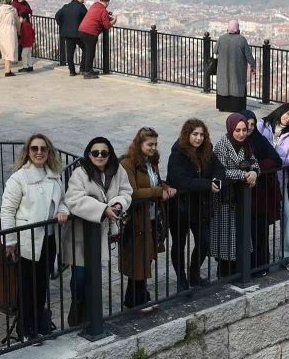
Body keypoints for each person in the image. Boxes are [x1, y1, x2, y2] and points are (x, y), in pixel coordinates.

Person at [0, 134, 68, 340]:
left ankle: (38, 323)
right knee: (27, 287)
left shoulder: (55, 175)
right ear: (28, 152)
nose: (39, 152)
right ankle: (25, 329)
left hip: (49, 239)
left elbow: (63, 200)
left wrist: (62, 211)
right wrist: (10, 242)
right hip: (28, 241)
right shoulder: (18, 179)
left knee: (41, 285)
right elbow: (7, 211)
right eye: (34, 149)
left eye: (43, 149)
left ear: (49, 152)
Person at [63, 137, 132, 326]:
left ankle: (91, 315)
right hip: (80, 235)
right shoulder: (80, 173)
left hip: (99, 234)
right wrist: (103, 209)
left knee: (94, 276)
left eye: (104, 153)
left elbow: (126, 191)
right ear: (89, 154)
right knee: (79, 278)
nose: (100, 156)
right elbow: (74, 199)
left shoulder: (118, 171)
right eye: (95, 153)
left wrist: (118, 203)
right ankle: (77, 311)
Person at [119, 127, 175, 306]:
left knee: (146, 258)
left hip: (151, 217)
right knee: (138, 260)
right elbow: (133, 192)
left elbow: (156, 181)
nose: (153, 148)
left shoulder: (152, 162)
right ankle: (137, 299)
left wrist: (165, 187)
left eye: (155, 144)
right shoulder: (128, 164)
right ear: (139, 143)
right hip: (136, 219)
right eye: (150, 144)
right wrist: (159, 191)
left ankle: (136, 297)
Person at [167, 119, 224, 288]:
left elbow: (219, 168)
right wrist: (207, 184)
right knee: (179, 244)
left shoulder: (207, 150)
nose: (198, 138)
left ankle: (194, 273)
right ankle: (181, 278)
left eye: (201, 135)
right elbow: (181, 180)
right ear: (187, 135)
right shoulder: (178, 153)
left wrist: (217, 180)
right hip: (181, 207)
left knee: (205, 241)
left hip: (200, 206)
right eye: (195, 134)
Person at [210, 113, 259, 277]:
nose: (241, 133)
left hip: (241, 200)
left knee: (239, 240)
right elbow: (222, 172)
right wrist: (244, 175)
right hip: (225, 200)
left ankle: (238, 274)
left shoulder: (247, 145)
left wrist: (254, 172)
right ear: (231, 129)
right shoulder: (222, 146)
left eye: (244, 130)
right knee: (226, 243)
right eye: (237, 130)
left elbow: (254, 163)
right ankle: (224, 276)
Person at [257, 104, 289, 269]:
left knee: (287, 216)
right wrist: (279, 160)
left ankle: (286, 254)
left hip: (280, 182)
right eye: (288, 114)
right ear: (281, 111)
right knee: (261, 221)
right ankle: (260, 259)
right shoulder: (262, 125)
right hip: (261, 182)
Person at [240, 110, 282, 276]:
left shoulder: (260, 140)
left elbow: (276, 160)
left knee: (260, 232)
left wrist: (255, 168)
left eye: (252, 124)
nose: (249, 128)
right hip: (243, 197)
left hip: (260, 196)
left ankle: (261, 265)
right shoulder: (233, 142)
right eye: (246, 124)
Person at [214, 20, 256, 112]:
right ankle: (236, 107)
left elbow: (215, 51)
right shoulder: (242, 39)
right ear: (238, 28)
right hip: (237, 70)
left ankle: (222, 107)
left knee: (223, 86)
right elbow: (248, 55)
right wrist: (253, 66)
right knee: (237, 87)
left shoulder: (221, 38)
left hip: (223, 69)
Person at [77, 0, 116, 80]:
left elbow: (99, 16)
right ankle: (87, 72)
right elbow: (107, 25)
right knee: (90, 53)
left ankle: (84, 69)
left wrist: (107, 15)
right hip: (90, 33)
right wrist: (114, 20)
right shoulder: (103, 10)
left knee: (87, 51)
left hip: (81, 30)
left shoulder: (94, 6)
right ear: (107, 2)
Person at [55, 0, 88, 76]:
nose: (84, 0)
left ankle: (72, 71)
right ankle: (82, 68)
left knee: (69, 53)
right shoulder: (81, 7)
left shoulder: (66, 6)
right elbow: (87, 18)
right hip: (78, 33)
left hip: (67, 34)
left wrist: (62, 25)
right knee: (86, 48)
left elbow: (57, 16)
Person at [0, 0, 20, 77]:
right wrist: (19, 31)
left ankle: (7, 69)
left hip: (1, 30)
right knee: (10, 50)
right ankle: (8, 71)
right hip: (11, 31)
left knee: (4, 50)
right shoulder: (13, 10)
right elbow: (17, 22)